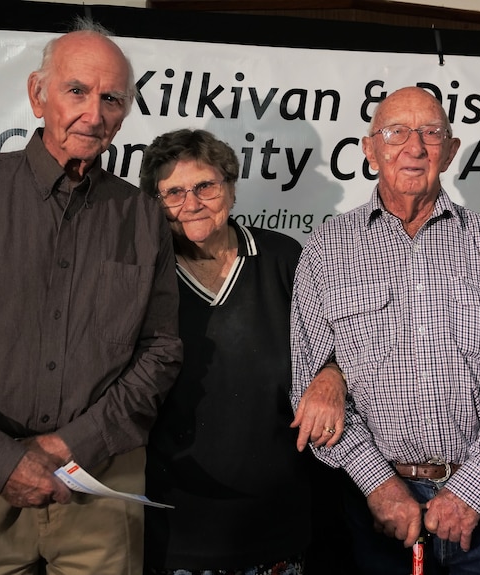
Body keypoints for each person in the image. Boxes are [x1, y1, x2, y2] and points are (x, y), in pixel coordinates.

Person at [0, 18, 183, 575]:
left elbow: (160, 349)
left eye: (112, 99)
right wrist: (1, 460)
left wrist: (71, 444)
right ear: (37, 94)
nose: (93, 114)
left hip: (99, 483)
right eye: (77, 91)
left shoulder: (142, 216)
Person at [290, 86, 480, 574]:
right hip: (380, 511)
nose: (415, 147)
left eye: (431, 133)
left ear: (449, 152)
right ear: (369, 150)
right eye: (396, 132)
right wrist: (379, 487)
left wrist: (472, 489)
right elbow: (309, 391)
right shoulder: (327, 249)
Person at [138, 128, 346, 575]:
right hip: (175, 528)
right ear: (154, 205)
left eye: (205, 186)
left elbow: (339, 343)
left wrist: (331, 376)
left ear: (230, 187)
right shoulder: (143, 276)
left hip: (275, 520)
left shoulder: (283, 257)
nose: (190, 203)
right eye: (172, 192)